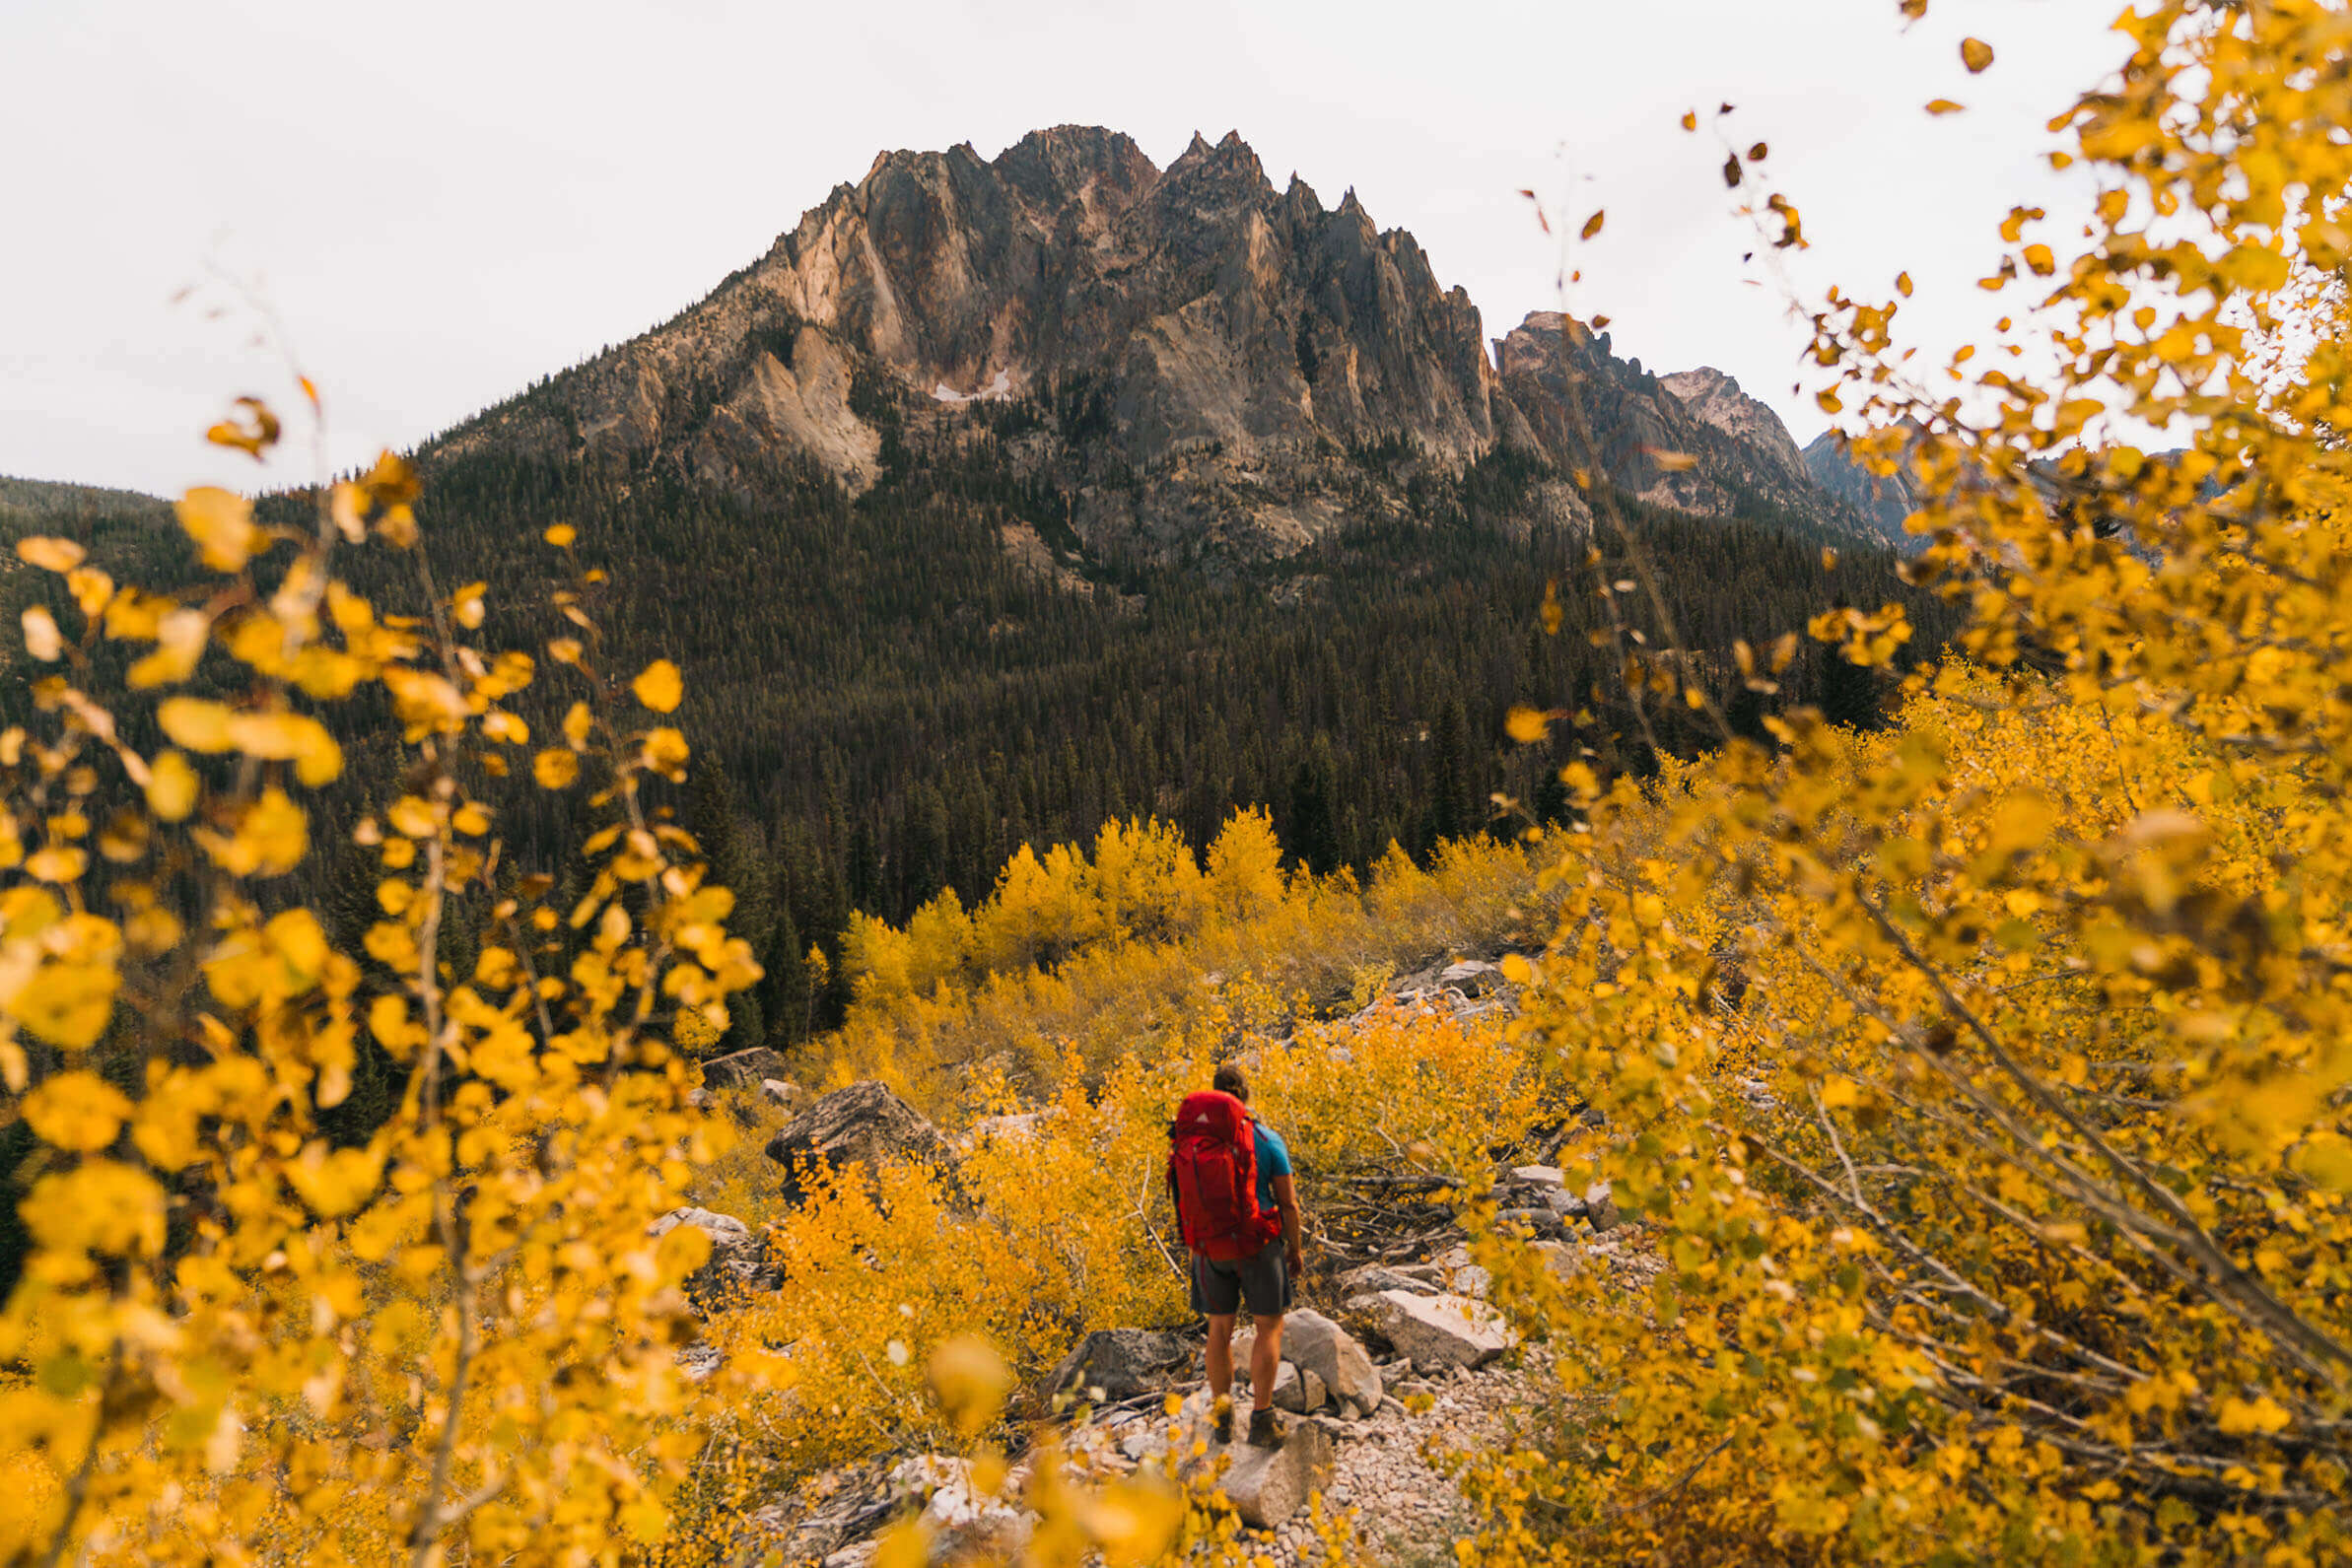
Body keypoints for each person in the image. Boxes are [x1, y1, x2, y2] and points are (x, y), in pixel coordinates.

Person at [1168, 1060, 1303, 1448]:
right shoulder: (1266, 1139)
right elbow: (1288, 1204)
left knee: (1219, 1329)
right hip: (1257, 1248)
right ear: (1244, 1097)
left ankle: (1223, 1417)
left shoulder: (1190, 1139)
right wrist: (1294, 1249)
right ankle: (1262, 1418)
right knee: (1268, 1328)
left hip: (1209, 1249)